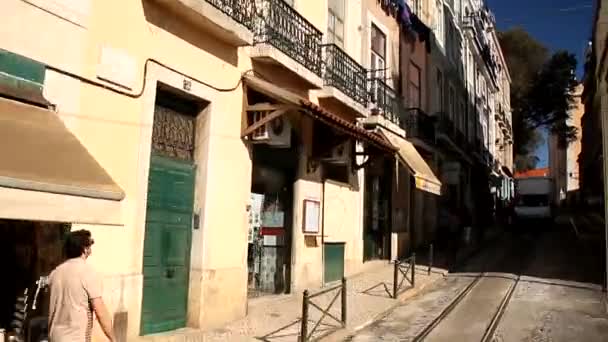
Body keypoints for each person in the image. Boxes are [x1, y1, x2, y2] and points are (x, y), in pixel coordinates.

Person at [48, 230, 114, 342]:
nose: (91, 251)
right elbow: (100, 311)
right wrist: (113, 338)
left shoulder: (55, 273)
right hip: (76, 338)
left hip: (55, 336)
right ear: (84, 249)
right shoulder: (88, 272)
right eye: (89, 246)